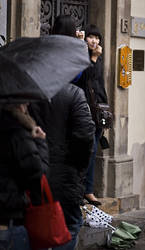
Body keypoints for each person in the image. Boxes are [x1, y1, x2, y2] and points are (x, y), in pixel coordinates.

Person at [29, 13, 95, 250]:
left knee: (35, 227)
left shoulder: (26, 97)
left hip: (35, 172)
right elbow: (86, 137)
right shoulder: (74, 93)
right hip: (65, 175)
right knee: (69, 226)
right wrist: (77, 170)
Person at [0, 103, 49, 250]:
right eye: (25, 101)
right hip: (8, 221)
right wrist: (40, 142)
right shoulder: (16, 133)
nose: (27, 104)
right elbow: (37, 174)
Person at [75, 24, 109, 206]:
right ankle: (83, 190)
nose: (94, 41)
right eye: (91, 37)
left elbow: (99, 84)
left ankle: (87, 190)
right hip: (84, 110)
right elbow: (85, 79)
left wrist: (106, 108)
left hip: (97, 111)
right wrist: (93, 58)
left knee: (93, 150)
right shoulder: (83, 57)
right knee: (87, 150)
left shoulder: (98, 59)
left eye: (97, 38)